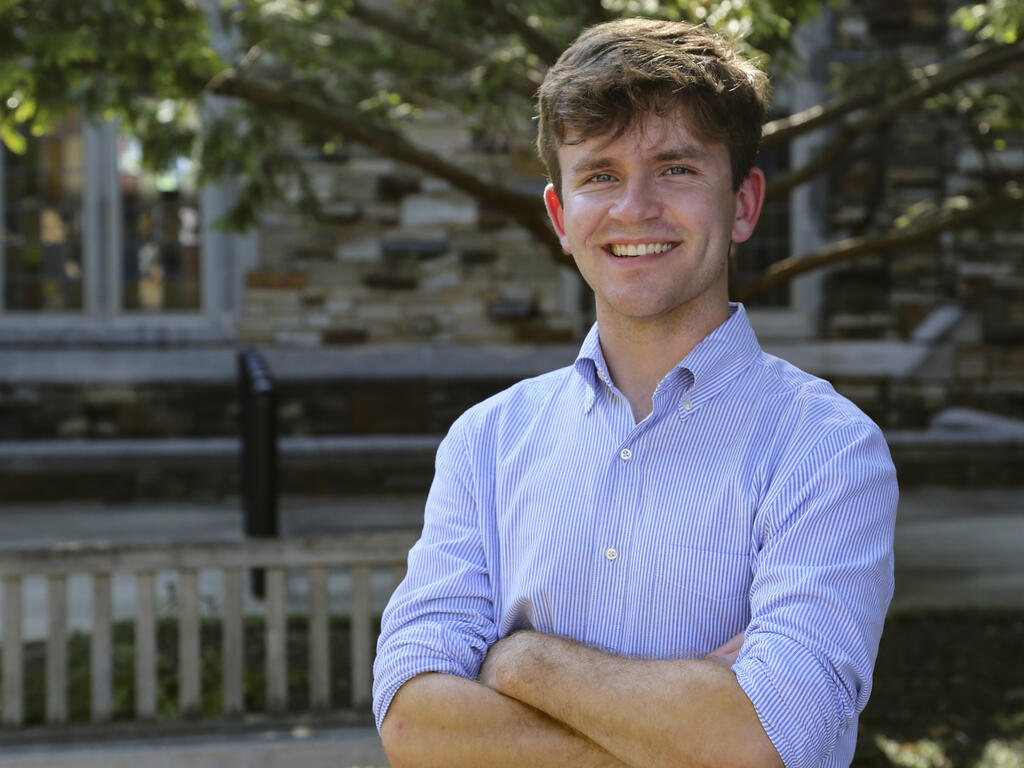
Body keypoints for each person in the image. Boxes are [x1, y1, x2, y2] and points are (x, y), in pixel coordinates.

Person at [373, 17, 898, 768]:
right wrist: (687, 733)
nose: (635, 208)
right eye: (600, 175)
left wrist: (523, 664)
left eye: (677, 168)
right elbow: (414, 724)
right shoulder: (486, 441)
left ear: (745, 204)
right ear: (561, 217)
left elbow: (775, 744)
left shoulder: (826, 448)